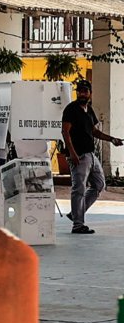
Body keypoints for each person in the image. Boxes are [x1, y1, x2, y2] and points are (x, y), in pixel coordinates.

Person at [62, 80, 123, 234]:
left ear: (90, 93)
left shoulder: (89, 110)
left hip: (90, 154)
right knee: (79, 188)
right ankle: (78, 224)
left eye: (85, 91)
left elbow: (95, 131)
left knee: (99, 184)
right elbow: (65, 132)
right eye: (80, 91)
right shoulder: (71, 109)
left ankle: (76, 213)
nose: (82, 94)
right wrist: (73, 153)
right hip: (79, 155)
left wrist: (112, 139)